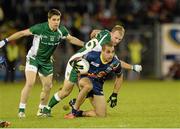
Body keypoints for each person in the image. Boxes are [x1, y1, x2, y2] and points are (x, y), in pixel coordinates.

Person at [0, 9, 84, 118]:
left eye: (58, 19)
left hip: (47, 61)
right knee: (30, 82)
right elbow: (22, 33)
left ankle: (41, 110)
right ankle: (21, 110)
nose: (56, 22)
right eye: (54, 20)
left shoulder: (61, 31)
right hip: (33, 58)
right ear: (48, 20)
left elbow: (71, 39)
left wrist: (86, 44)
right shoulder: (40, 28)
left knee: (48, 87)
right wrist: (4, 41)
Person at [42, 25, 142, 116]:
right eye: (115, 38)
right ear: (111, 34)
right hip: (78, 61)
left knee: (99, 109)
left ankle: (76, 103)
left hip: (86, 65)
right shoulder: (106, 44)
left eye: (119, 39)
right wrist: (132, 67)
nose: (116, 41)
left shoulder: (105, 33)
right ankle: (46, 109)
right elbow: (116, 61)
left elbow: (94, 31)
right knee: (66, 91)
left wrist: (93, 36)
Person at [64, 44, 142, 118]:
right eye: (108, 52)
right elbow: (75, 61)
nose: (111, 54)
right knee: (88, 86)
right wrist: (76, 82)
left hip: (98, 85)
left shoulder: (115, 63)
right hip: (85, 79)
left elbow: (119, 77)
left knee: (101, 114)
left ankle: (79, 112)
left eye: (112, 52)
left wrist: (115, 94)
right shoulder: (91, 55)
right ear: (102, 51)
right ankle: (73, 112)